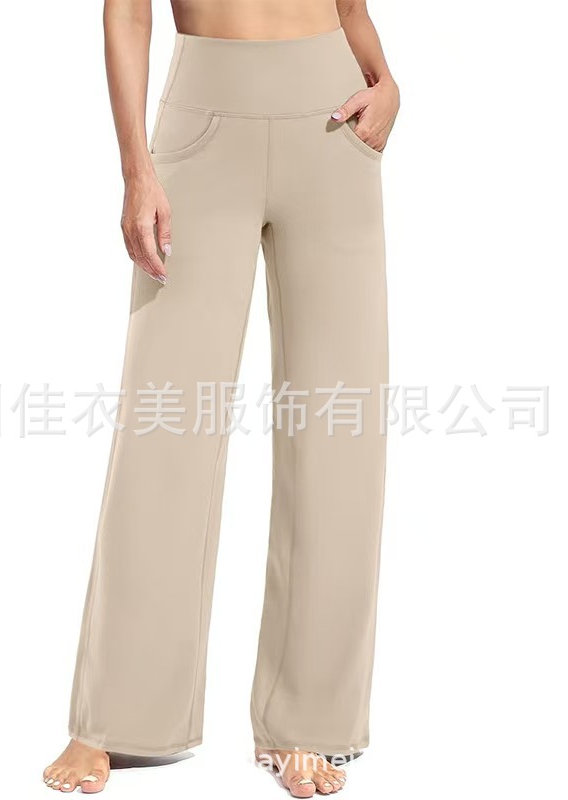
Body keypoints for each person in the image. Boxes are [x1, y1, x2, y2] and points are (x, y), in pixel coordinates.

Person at [43, 0, 399, 795]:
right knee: (164, 423)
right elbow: (128, 15)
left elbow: (350, 6)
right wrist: (137, 170)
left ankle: (309, 724)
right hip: (204, 122)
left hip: (336, 117)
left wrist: (388, 83)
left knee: (339, 428)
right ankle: (115, 717)